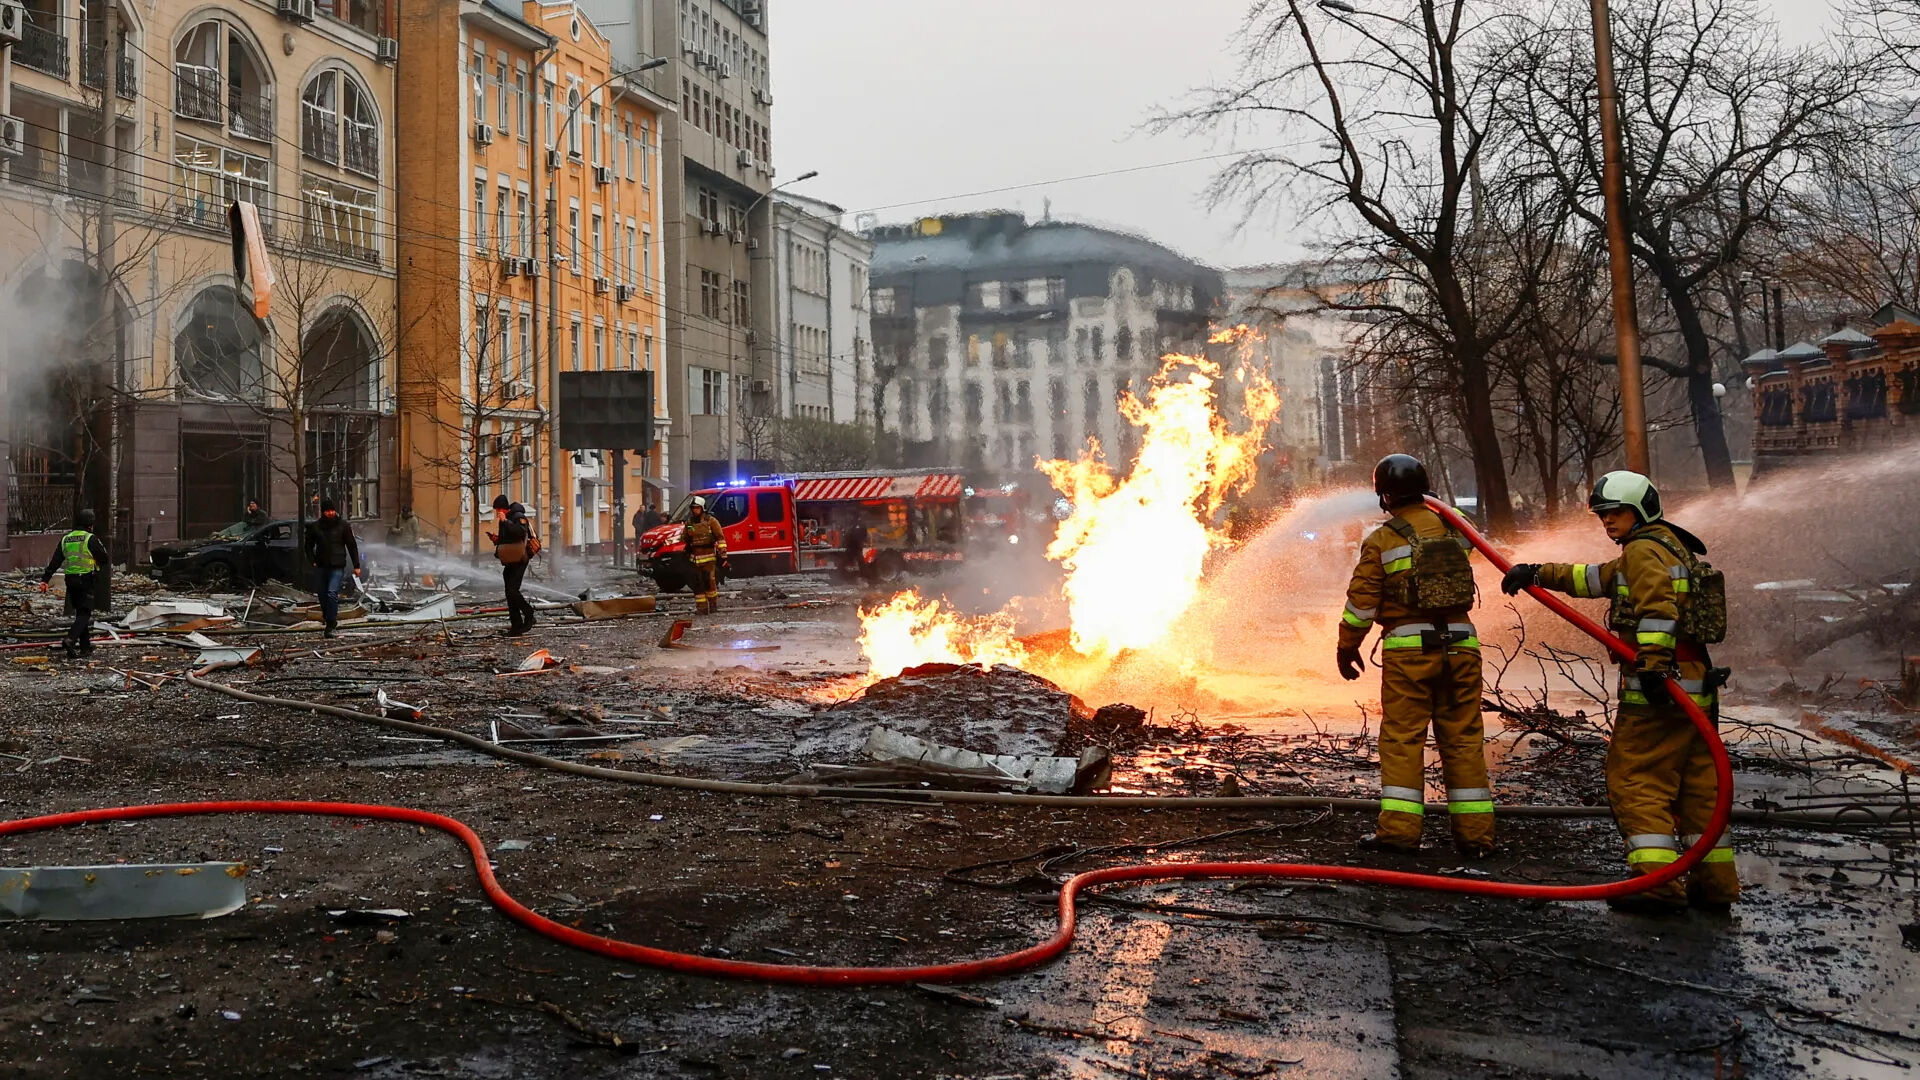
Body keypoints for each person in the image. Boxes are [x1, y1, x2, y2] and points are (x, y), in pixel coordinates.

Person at [1501, 471, 1737, 915]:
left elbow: (1657, 609)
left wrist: (1650, 663)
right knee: (1698, 787)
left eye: (1616, 513)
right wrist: (1536, 573)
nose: (1608, 522)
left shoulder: (1644, 551)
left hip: (1661, 687)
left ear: (1642, 510)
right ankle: (1715, 883)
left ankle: (1656, 886)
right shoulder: (1666, 545)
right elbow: (1594, 578)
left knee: (1638, 780)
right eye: (1603, 515)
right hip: (1695, 683)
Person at [1336, 454, 1494, 857]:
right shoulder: (1454, 529)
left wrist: (1347, 645)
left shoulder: (1383, 541)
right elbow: (1470, 545)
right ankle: (1476, 839)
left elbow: (1361, 605)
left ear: (1383, 496)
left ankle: (1401, 834)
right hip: (1462, 647)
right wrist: (1439, 509)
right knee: (1463, 739)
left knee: (1404, 740)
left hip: (1410, 654)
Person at [41, 509, 110, 660]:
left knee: (80, 612)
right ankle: (70, 639)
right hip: (85, 578)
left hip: (70, 580)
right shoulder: (90, 538)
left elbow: (56, 560)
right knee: (85, 612)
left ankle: (85, 647)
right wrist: (96, 563)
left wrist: (45, 579)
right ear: (90, 525)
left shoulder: (66, 539)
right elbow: (104, 557)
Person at [303, 499, 361, 638]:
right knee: (322, 595)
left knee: (331, 593)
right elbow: (308, 546)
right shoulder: (316, 527)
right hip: (322, 565)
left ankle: (331, 623)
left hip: (337, 565)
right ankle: (328, 616)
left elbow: (352, 546)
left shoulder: (343, 526)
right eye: (328, 511)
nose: (331, 513)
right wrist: (313, 562)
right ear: (323, 512)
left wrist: (356, 565)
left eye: (332, 510)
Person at [493, 502, 537, 635]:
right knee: (509, 591)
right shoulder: (507, 520)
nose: (496, 512)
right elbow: (508, 537)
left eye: (498, 509)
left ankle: (528, 612)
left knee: (513, 590)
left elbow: (519, 532)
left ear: (503, 509)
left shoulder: (518, 516)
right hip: (511, 559)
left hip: (520, 558)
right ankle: (516, 625)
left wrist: (505, 521)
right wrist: (497, 539)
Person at [681, 496, 727, 615]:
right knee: (697, 584)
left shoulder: (711, 521)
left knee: (709, 582)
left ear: (702, 508)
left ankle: (712, 605)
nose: (695, 510)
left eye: (697, 508)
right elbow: (684, 538)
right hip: (694, 559)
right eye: (693, 508)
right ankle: (701, 608)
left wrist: (723, 555)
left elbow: (720, 538)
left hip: (708, 557)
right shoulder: (689, 522)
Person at [388, 505, 421, 586]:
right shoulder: (398, 518)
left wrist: (416, 543)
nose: (405, 514)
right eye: (404, 512)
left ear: (410, 512)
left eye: (406, 513)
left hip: (410, 544)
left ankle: (413, 576)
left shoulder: (413, 520)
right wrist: (398, 530)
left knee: (410, 561)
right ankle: (400, 576)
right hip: (399, 543)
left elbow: (416, 532)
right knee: (400, 561)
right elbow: (392, 528)